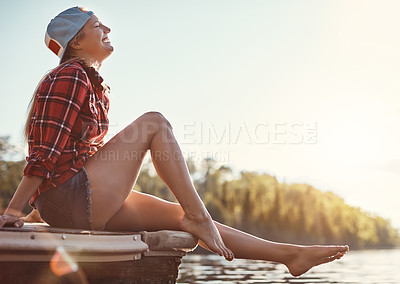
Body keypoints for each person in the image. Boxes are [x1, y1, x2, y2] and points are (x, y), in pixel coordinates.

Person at [0, 7, 348, 277]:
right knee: (154, 124)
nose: (107, 30)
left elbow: (72, 156)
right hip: (69, 198)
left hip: (69, 199)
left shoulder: (91, 84)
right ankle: (200, 216)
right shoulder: (70, 75)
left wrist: (40, 208)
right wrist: (16, 210)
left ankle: (290, 255)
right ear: (76, 41)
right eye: (98, 26)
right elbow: (45, 153)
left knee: (180, 216)